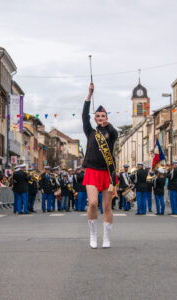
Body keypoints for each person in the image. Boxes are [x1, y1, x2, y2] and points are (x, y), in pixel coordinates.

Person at [82, 83, 118, 249]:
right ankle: (93, 234)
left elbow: (115, 135)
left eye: (103, 115)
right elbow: (84, 116)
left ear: (106, 117)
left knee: (106, 206)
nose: (100, 118)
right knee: (94, 203)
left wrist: (108, 126)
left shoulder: (111, 132)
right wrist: (89, 94)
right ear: (95, 118)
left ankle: (106, 238)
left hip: (107, 173)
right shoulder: (90, 132)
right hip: (92, 172)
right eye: (98, 116)